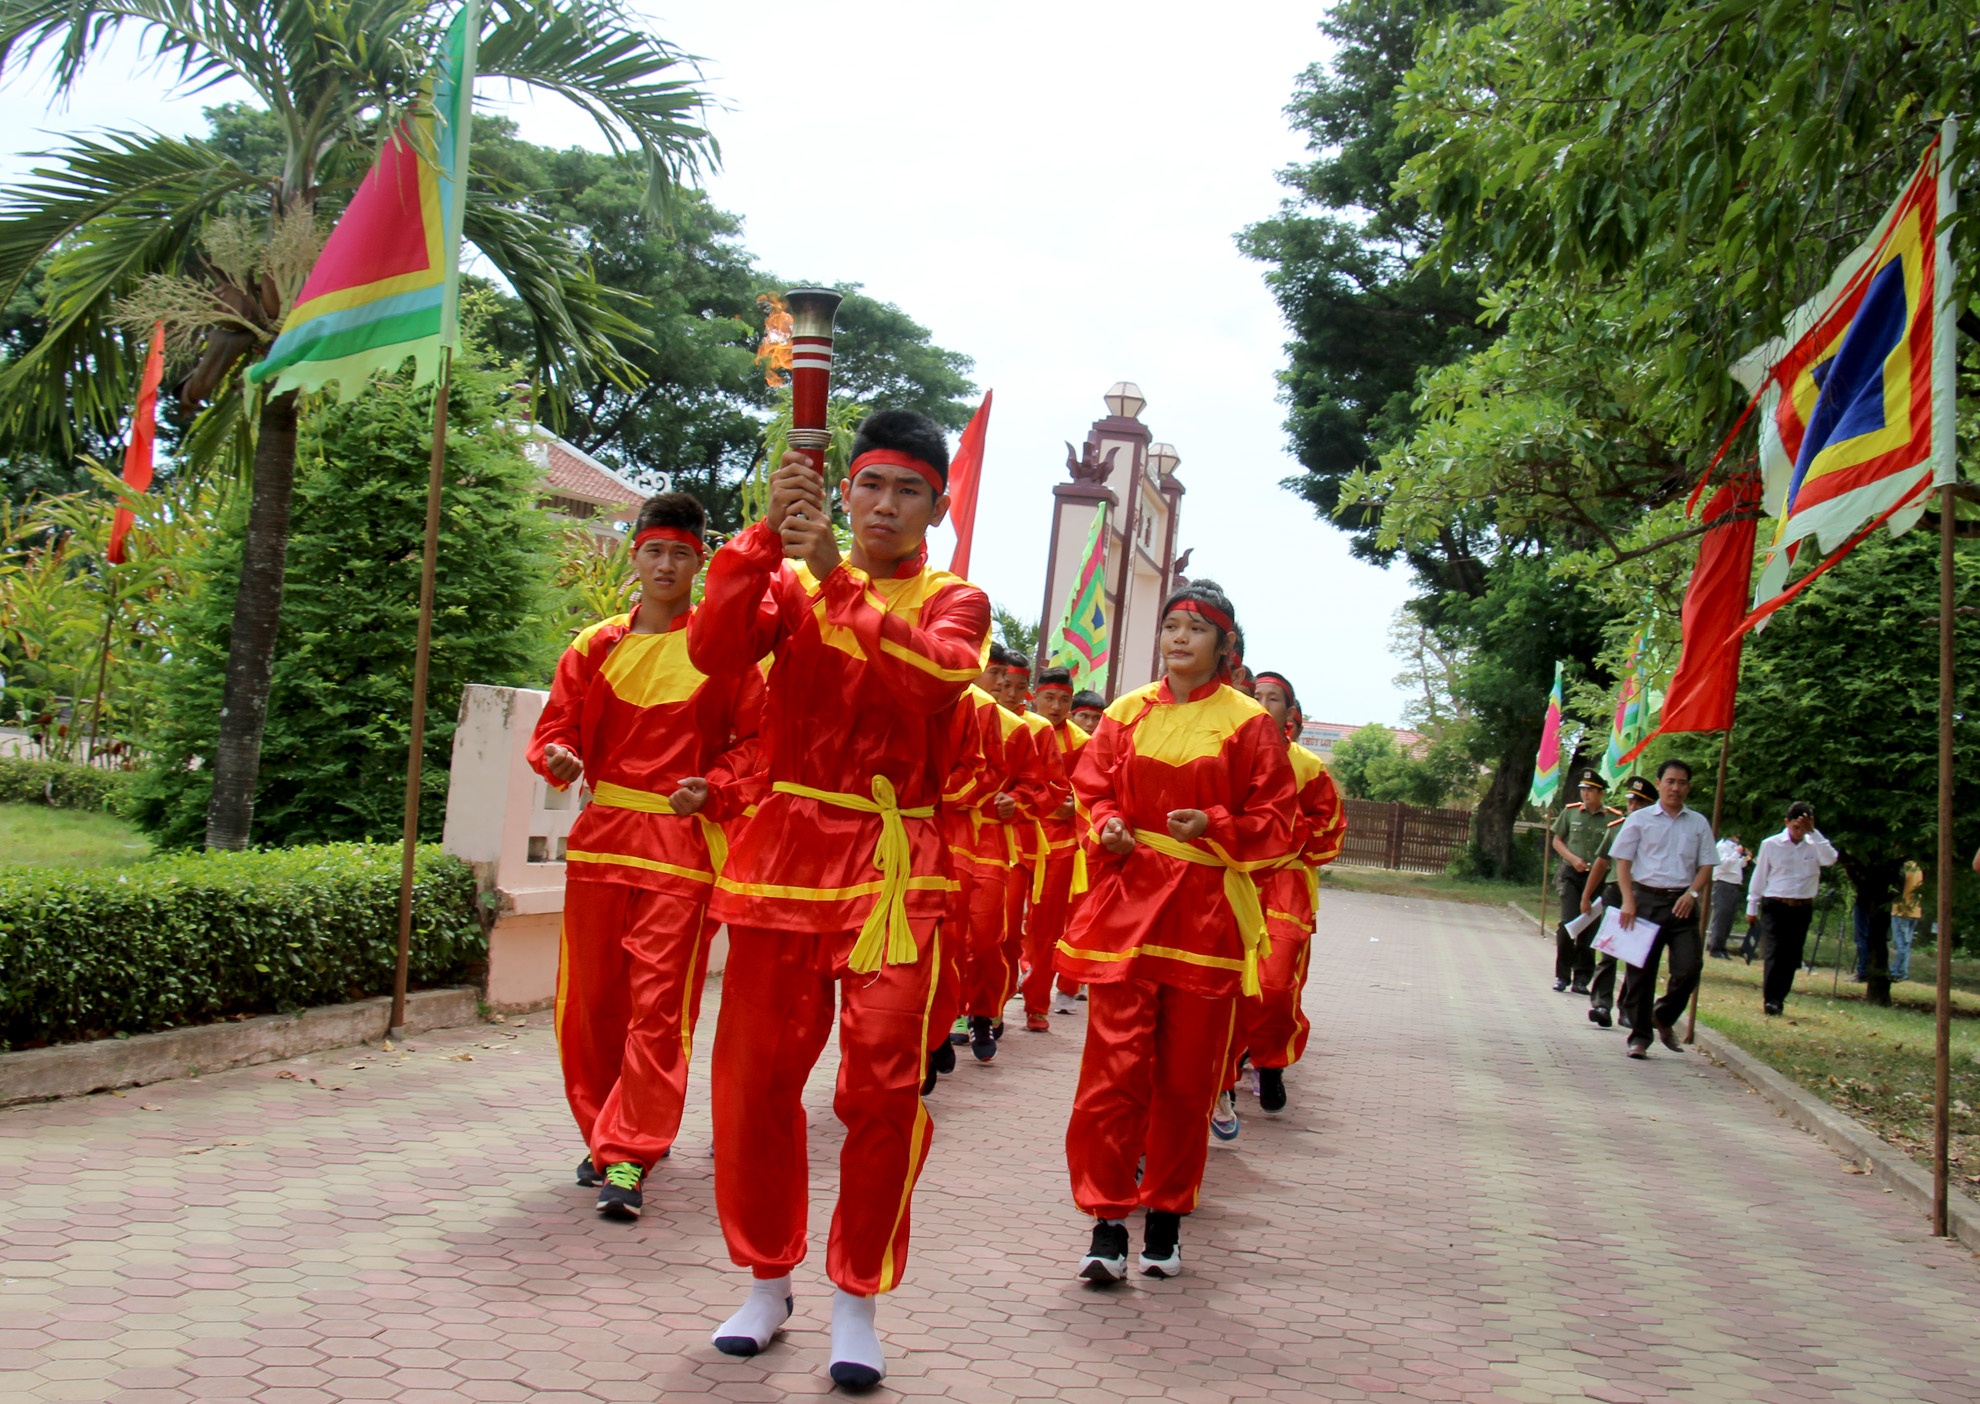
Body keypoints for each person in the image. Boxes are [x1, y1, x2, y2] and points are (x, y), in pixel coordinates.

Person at [687, 409, 991, 1389]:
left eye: (909, 491)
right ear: (845, 491)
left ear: (937, 507)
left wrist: (836, 578)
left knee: (881, 1091)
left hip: (892, 870)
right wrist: (763, 537)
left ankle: (857, 1297)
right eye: (870, 486)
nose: (885, 506)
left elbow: (932, 681)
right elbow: (713, 649)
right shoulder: (790, 583)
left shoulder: (956, 601)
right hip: (782, 861)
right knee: (754, 1086)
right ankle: (766, 1281)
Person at [526, 492, 762, 1220]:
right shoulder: (595, 646)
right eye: (654, 551)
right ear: (635, 556)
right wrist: (557, 758)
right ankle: (604, 1130)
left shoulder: (725, 652)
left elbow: (758, 746)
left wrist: (715, 787)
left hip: (680, 848)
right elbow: (554, 729)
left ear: (699, 563)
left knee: (658, 1005)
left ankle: (631, 1151)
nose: (666, 565)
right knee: (591, 1003)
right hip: (602, 841)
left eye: (681, 554)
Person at [1059, 581, 1296, 1283]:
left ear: (1225, 645)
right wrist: (1107, 824)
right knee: (1112, 1073)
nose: (1179, 638)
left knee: (1187, 1079)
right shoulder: (1126, 711)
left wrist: (1214, 825)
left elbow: (1278, 823)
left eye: (1196, 628)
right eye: (1171, 626)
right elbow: (1092, 788)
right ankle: (1106, 1222)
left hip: (1205, 916)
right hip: (1129, 910)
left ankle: (1165, 1214)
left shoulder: (1249, 724)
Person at [1224, 669, 1345, 1119]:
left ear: (1290, 712)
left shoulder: (1309, 767)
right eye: (1255, 695)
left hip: (1286, 883)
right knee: (1227, 980)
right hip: (1234, 877)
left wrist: (1282, 835)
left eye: (1272, 698)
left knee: (1275, 983)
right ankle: (1225, 1071)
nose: (1261, 703)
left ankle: (1271, 1059)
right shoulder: (1227, 756)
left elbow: (1330, 828)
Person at [1612, 758, 1718, 1058]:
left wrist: (1692, 893)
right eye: (1670, 781)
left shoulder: (1697, 823)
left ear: (1688, 787)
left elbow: (1707, 864)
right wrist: (1628, 900)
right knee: (1640, 973)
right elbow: (1623, 862)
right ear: (1659, 784)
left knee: (1689, 968)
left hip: (1682, 904)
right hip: (1645, 901)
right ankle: (1640, 1037)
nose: (1675, 788)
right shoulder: (1640, 819)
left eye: (1682, 783)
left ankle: (1663, 1014)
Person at [1022, 666, 1091, 1028]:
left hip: (1060, 844)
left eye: (1064, 700)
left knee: (1048, 928)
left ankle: (1037, 1004)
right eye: (1049, 698)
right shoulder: (1018, 728)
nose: (1056, 706)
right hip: (1015, 836)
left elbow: (1092, 789)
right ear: (1034, 696)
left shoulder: (1081, 742)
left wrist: (1075, 805)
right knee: (1002, 925)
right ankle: (988, 1002)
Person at [1746, 802, 1841, 1015]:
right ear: (1787, 822)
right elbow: (1760, 875)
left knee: (1791, 955)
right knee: (1775, 950)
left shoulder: (1814, 844)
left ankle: (1779, 997)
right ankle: (1771, 999)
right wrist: (1752, 905)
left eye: (1803, 828)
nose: (1799, 832)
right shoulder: (1771, 844)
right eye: (1796, 827)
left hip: (1801, 906)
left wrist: (1813, 832)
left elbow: (1831, 859)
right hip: (1776, 903)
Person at [1580, 776, 1655, 1029]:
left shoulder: (1657, 831)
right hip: (1615, 891)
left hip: (1644, 892)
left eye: (1640, 803)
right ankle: (1601, 1004)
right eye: (1631, 801)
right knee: (1609, 950)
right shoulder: (1617, 827)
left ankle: (1628, 1009)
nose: (1633, 807)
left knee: (1636, 955)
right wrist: (1587, 895)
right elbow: (1601, 862)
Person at [1550, 769, 1617, 993]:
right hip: (1572, 874)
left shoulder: (1612, 818)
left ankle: (1582, 977)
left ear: (1601, 793)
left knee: (1589, 927)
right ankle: (1562, 975)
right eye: (1583, 789)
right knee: (1568, 923)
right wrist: (1572, 859)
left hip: (1598, 878)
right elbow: (1557, 841)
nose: (1586, 794)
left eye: (1591, 790)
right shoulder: (1571, 812)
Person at [1705, 833, 1748, 959]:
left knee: (1728, 919)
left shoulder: (1734, 847)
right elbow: (1723, 865)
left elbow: (1740, 864)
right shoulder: (1722, 846)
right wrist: (1736, 853)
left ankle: (1722, 947)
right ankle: (1715, 948)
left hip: (1734, 885)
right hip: (1723, 884)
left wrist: (1746, 858)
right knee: (1721, 917)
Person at [1891, 859, 1924, 982]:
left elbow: (1896, 888)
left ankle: (1896, 971)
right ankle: (1903, 971)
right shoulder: (1918, 867)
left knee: (1901, 944)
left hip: (1901, 910)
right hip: (1915, 910)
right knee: (1906, 944)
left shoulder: (1902, 867)